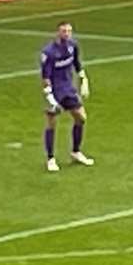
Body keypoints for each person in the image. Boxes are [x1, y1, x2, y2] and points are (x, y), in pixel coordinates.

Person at [40, 22, 95, 173]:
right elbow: (45, 76)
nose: (67, 34)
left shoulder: (73, 46)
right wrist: (49, 97)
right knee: (51, 123)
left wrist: (84, 80)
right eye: (64, 31)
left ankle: (76, 152)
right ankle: (51, 159)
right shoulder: (49, 52)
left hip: (68, 90)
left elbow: (77, 64)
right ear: (58, 32)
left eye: (69, 31)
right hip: (54, 91)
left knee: (81, 118)